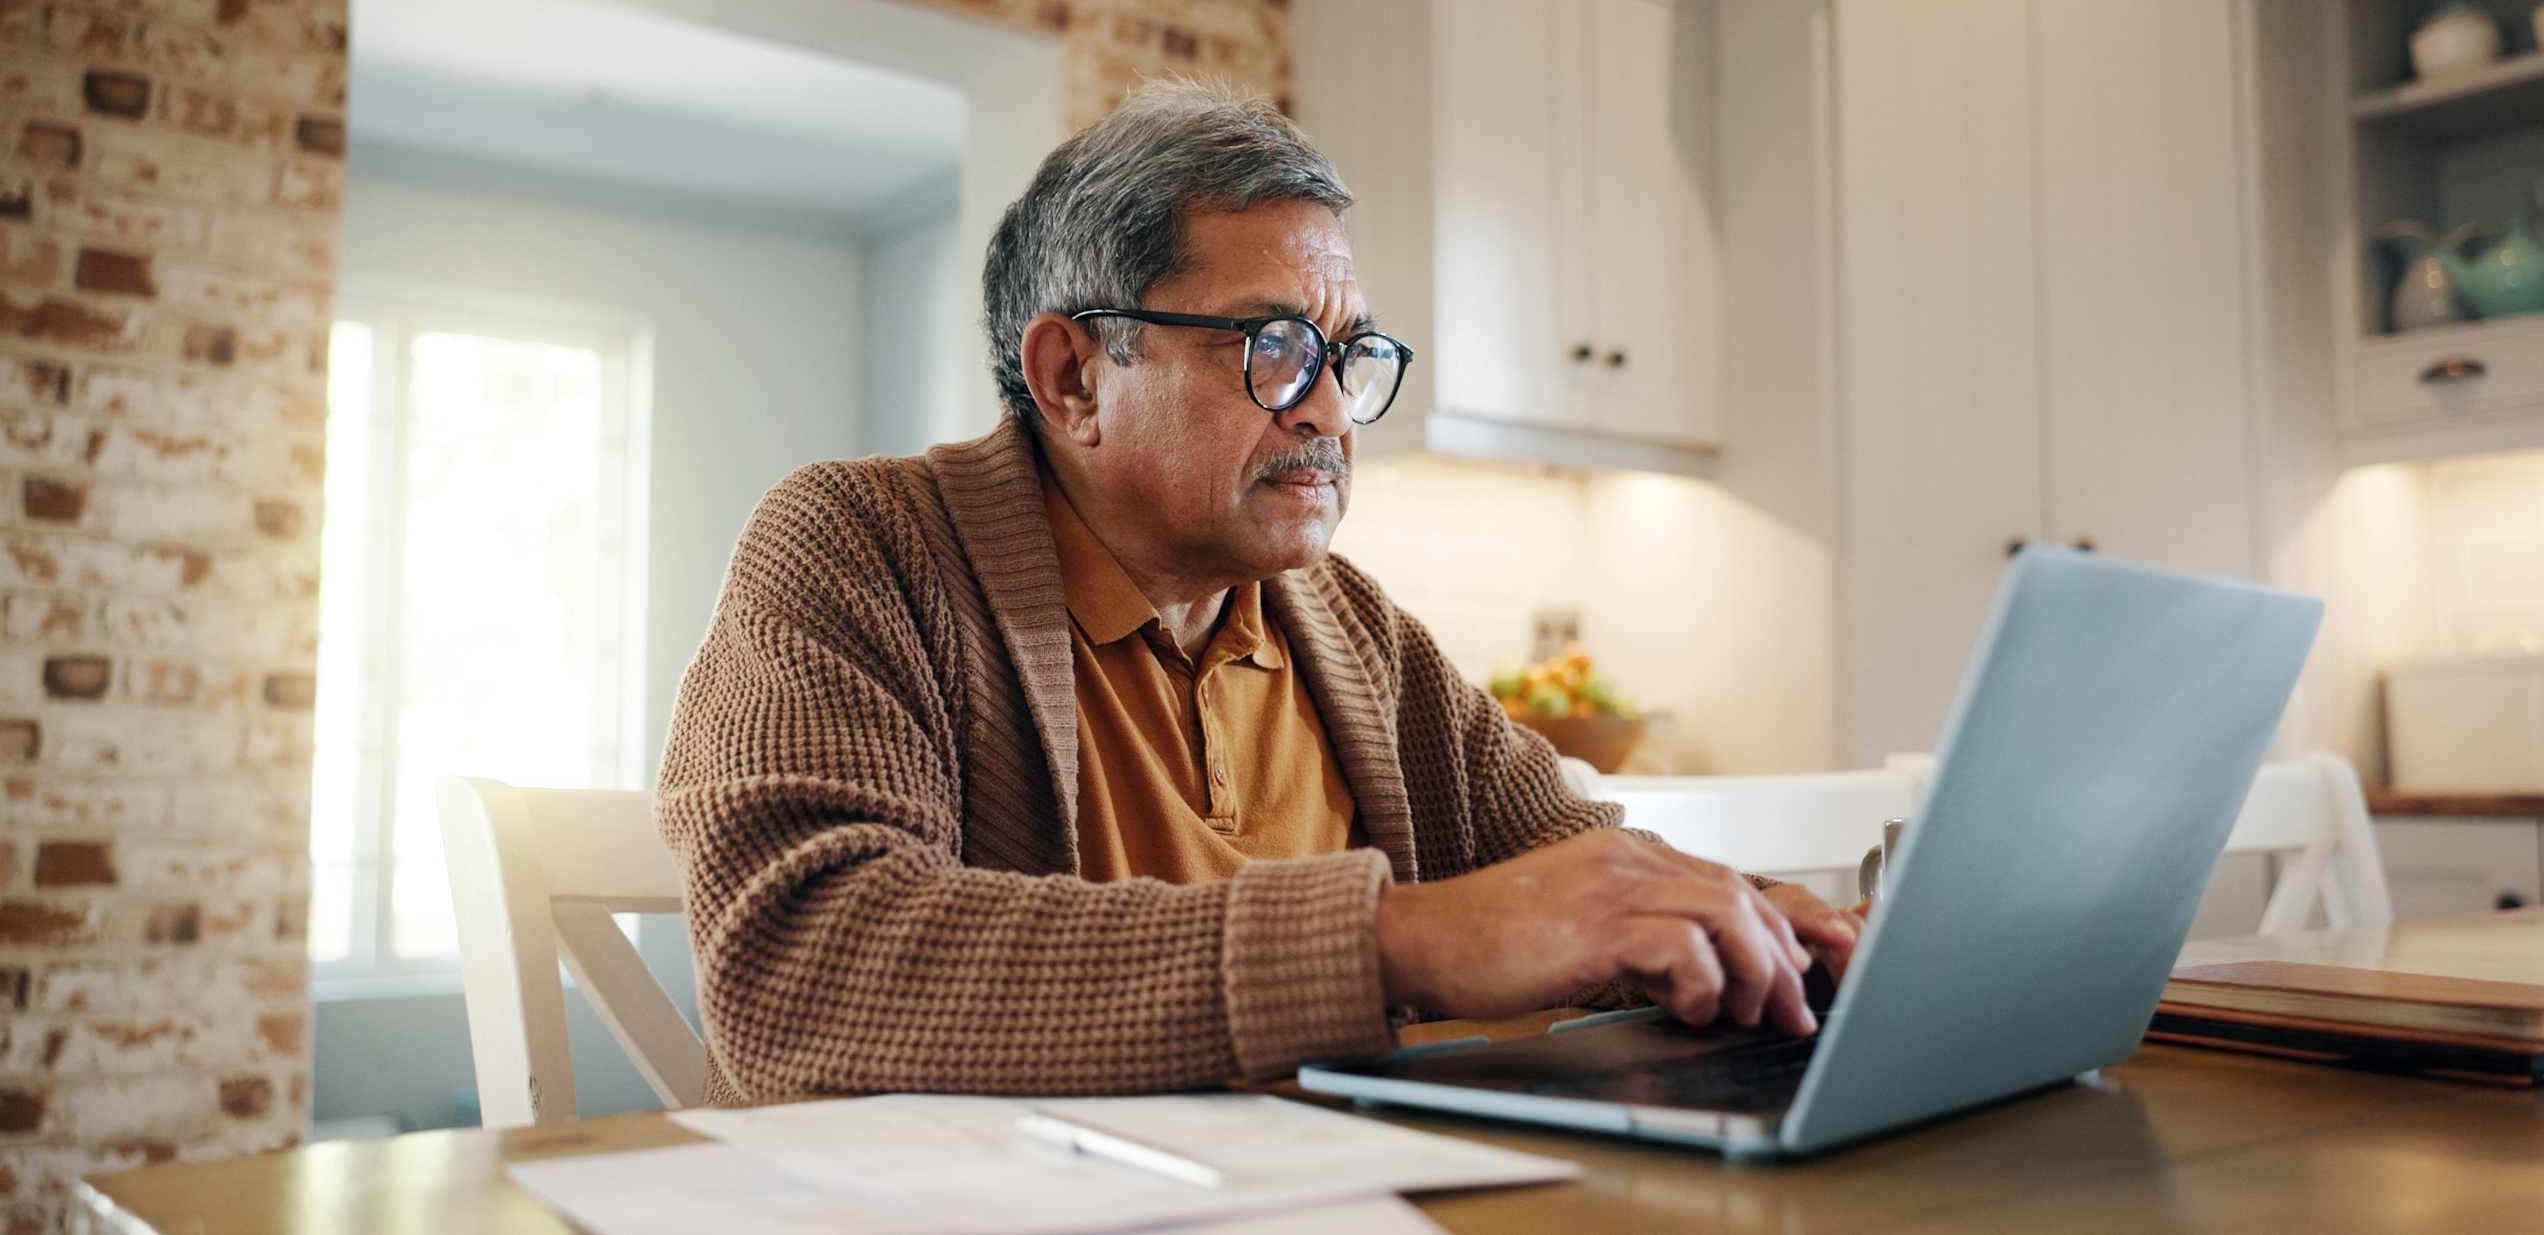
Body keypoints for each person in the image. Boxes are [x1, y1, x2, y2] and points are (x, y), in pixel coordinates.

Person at [656, 80, 1859, 1103]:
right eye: (1273, 347)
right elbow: (795, 971)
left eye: (1346, 356)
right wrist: (1402, 938)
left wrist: (1754, 928)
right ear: (1072, 374)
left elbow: (1569, 875)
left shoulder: (1353, 628)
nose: (1331, 409)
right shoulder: (860, 545)